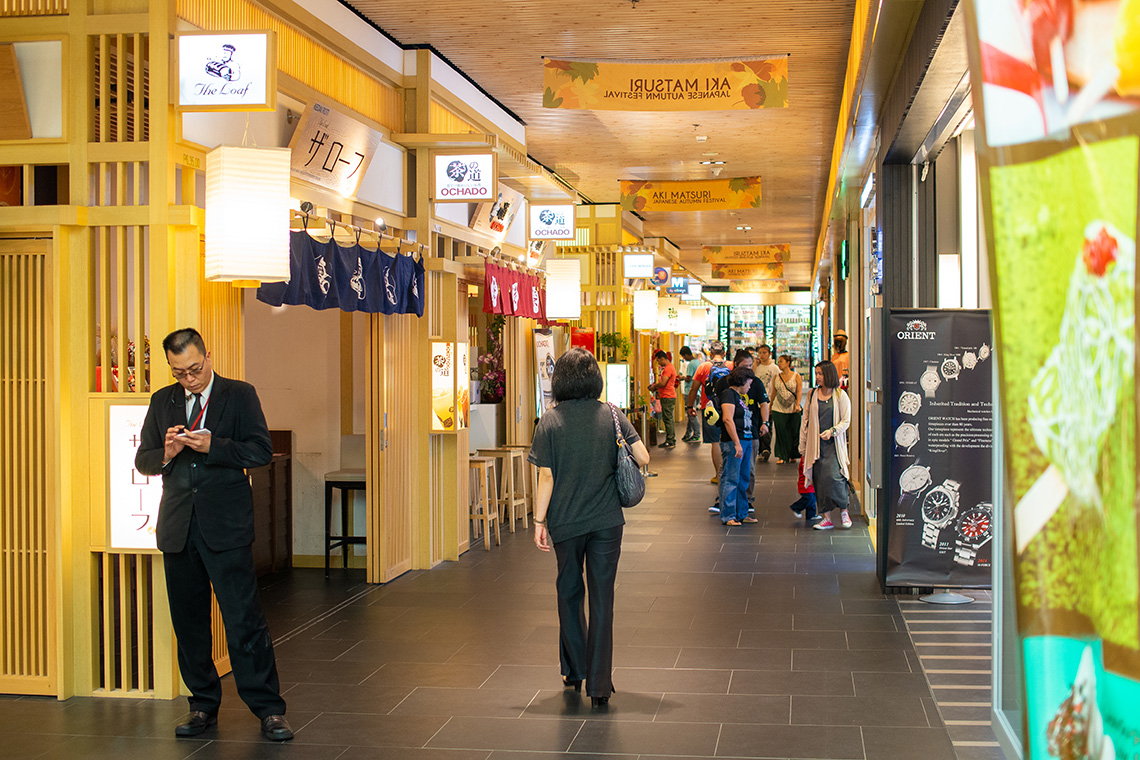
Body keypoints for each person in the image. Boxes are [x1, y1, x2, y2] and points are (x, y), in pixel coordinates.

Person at [134, 328, 293, 742]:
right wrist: (167, 452)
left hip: (226, 527)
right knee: (189, 623)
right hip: (178, 527)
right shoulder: (162, 401)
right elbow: (145, 460)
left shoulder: (239, 395)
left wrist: (213, 446)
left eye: (194, 368)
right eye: (179, 372)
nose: (189, 379)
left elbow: (259, 451)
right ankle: (202, 703)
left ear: (208, 355)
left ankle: (269, 709)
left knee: (244, 620)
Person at [529, 348, 651, 707]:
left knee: (569, 593)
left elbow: (546, 476)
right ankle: (599, 685)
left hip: (565, 522)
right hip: (607, 521)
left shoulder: (549, 421)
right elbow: (643, 457)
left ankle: (574, 667)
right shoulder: (612, 414)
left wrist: (538, 522)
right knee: (602, 598)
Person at [799, 360, 853, 530]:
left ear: (829, 374)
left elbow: (846, 420)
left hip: (834, 445)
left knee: (836, 477)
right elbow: (805, 419)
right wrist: (803, 444)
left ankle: (844, 511)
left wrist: (833, 431)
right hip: (816, 446)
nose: (818, 377)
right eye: (817, 374)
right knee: (820, 480)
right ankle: (826, 517)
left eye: (820, 374)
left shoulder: (840, 395)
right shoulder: (812, 394)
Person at [718, 366, 758, 526]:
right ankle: (728, 515)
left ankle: (741, 512)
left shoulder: (739, 396)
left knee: (743, 478)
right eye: (749, 383)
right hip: (735, 441)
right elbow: (728, 419)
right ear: (742, 381)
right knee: (731, 478)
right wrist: (736, 443)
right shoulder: (728, 394)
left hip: (745, 439)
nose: (750, 386)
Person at [687, 341, 730, 484]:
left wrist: (690, 406)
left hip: (709, 408)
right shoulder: (731, 366)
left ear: (710, 354)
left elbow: (694, 389)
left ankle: (718, 475)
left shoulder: (703, 366)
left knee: (715, 442)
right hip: (729, 407)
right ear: (724, 353)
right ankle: (729, 473)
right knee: (730, 440)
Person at [770, 354, 803, 464]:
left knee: (793, 431)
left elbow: (799, 391)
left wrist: (798, 404)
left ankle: (793, 454)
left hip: (793, 408)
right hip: (778, 408)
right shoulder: (777, 377)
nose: (779, 364)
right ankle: (781, 455)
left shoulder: (796, 376)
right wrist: (770, 406)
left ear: (788, 363)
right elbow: (774, 392)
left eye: (781, 361)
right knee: (780, 432)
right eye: (778, 361)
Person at [752, 344, 779, 462]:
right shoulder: (756, 367)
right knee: (757, 424)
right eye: (760, 353)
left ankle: (766, 448)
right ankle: (759, 448)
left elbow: (777, 384)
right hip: (756, 401)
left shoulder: (774, 368)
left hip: (768, 400)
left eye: (764, 352)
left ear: (769, 354)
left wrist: (773, 401)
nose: (762, 355)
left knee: (767, 424)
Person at [649, 350, 678, 448]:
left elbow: (663, 383)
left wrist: (654, 386)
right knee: (668, 418)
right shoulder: (669, 367)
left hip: (667, 396)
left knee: (667, 418)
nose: (658, 363)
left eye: (658, 361)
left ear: (662, 358)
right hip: (667, 395)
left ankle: (670, 440)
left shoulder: (668, 368)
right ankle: (670, 439)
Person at [678, 346, 702, 443]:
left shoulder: (691, 364)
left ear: (686, 354)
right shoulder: (698, 362)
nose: (684, 358)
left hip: (690, 392)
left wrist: (681, 378)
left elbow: (688, 378)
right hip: (698, 391)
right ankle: (688, 434)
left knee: (692, 414)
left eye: (684, 356)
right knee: (690, 413)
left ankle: (697, 434)